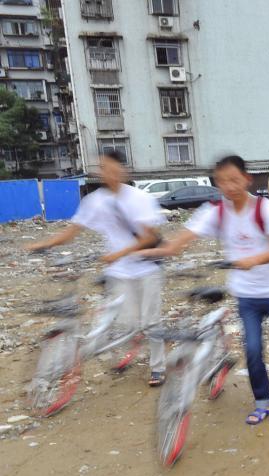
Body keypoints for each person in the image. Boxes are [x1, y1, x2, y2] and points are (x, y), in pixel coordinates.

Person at [139, 155, 269, 425]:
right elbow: (180, 241)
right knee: (252, 349)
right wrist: (150, 253)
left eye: (234, 180)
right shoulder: (215, 211)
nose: (228, 186)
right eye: (222, 181)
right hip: (246, 295)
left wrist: (252, 260)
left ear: (247, 179)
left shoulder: (267, 210)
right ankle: (264, 401)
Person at [27, 151, 167, 386]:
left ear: (123, 171)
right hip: (118, 273)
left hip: (146, 268)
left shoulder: (139, 198)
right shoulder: (95, 200)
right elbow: (72, 231)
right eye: (103, 168)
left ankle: (158, 367)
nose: (107, 174)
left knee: (151, 322)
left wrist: (119, 253)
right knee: (127, 323)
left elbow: (148, 237)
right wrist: (44, 244)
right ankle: (131, 347)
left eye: (112, 169)